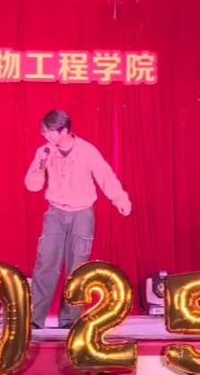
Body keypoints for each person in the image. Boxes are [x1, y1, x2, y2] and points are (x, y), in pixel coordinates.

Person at [24, 109, 131, 329]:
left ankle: (69, 320)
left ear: (64, 131)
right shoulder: (44, 152)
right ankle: (34, 318)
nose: (46, 136)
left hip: (82, 213)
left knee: (77, 267)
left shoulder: (87, 151)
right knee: (46, 262)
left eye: (51, 131)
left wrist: (120, 199)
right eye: (45, 131)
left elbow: (105, 176)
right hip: (55, 212)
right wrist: (41, 165)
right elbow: (33, 186)